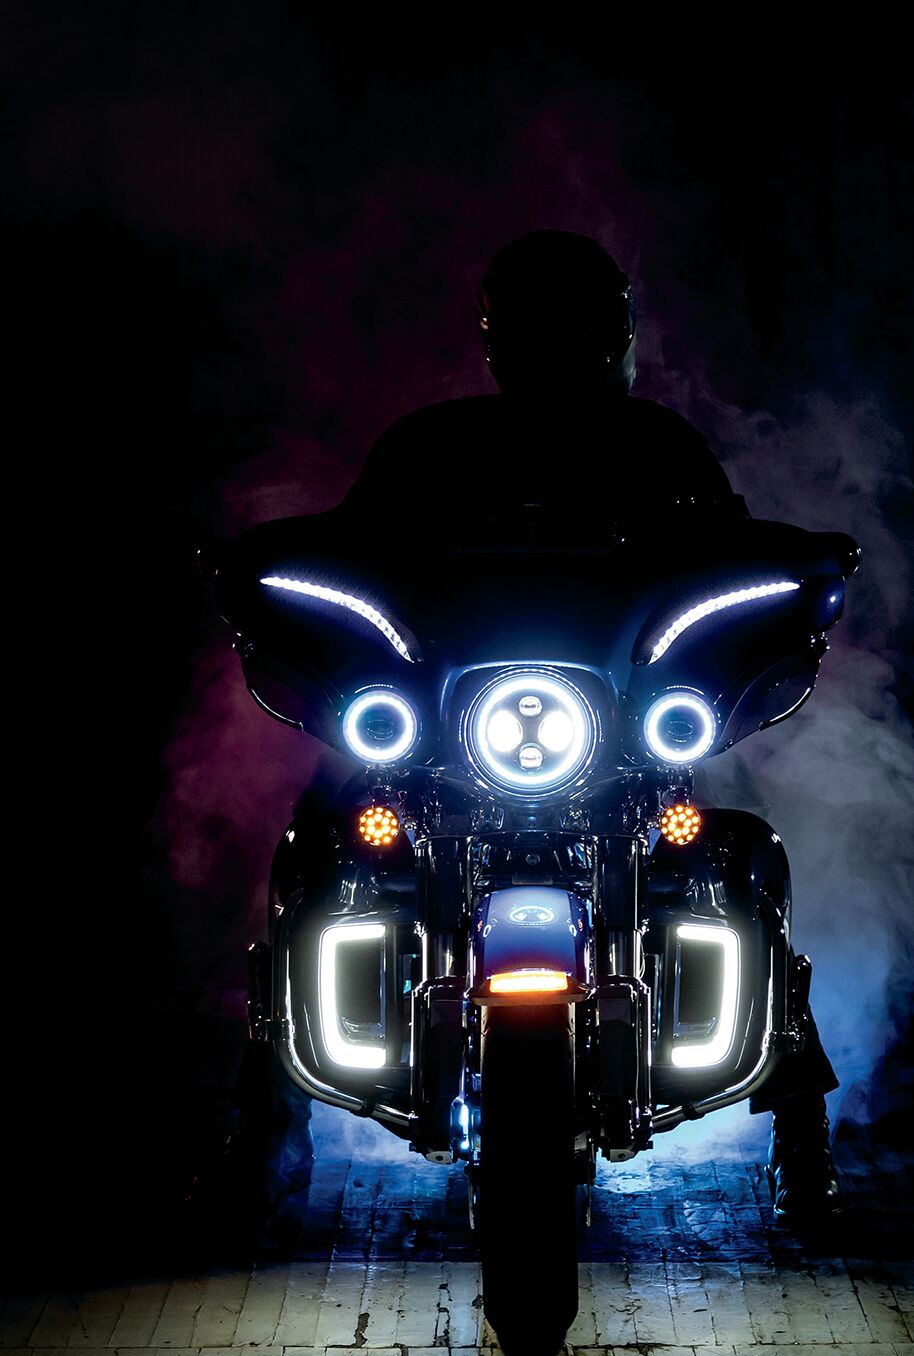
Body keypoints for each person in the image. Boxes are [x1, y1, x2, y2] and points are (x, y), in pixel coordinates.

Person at [240, 229, 843, 1223]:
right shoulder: (431, 447)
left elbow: (729, 553)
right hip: (446, 736)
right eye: (543, 326)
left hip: (620, 737)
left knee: (744, 858)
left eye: (576, 326)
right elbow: (351, 550)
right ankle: (265, 1125)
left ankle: (799, 1125)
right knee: (312, 856)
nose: (561, 345)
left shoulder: (655, 448)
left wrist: (791, 575)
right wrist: (272, 571)